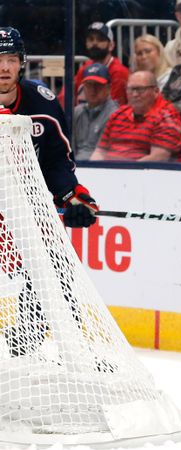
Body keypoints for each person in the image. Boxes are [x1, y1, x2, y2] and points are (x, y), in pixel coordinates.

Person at [0, 28, 99, 357]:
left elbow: (57, 160)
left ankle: (66, 347)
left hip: (24, 202)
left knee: (56, 260)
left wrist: (73, 197)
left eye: (11, 59)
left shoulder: (41, 101)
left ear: (22, 63)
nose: (4, 68)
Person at [91, 71, 181, 162]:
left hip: (148, 177)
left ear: (156, 91)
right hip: (110, 174)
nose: (134, 94)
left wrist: (123, 172)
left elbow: (159, 158)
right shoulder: (118, 115)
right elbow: (100, 151)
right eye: (130, 89)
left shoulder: (167, 117)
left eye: (140, 90)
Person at [62, 22, 129, 107]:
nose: (94, 43)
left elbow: (114, 109)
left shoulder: (119, 72)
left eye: (100, 39)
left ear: (111, 45)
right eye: (91, 39)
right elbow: (66, 95)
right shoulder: (86, 67)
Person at [72, 63, 119, 160]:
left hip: (99, 167)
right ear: (83, 87)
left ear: (108, 88)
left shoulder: (115, 113)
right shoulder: (77, 111)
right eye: (89, 85)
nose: (93, 90)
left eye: (98, 85)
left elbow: (107, 153)